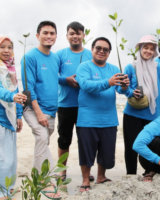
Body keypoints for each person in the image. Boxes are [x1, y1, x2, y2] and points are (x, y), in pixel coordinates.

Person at [76, 37, 130, 192]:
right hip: (87, 119)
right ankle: (86, 180)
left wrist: (126, 87)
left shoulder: (113, 69)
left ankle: (101, 176)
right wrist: (108, 82)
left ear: (109, 53)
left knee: (106, 152)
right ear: (92, 49)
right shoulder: (83, 67)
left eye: (105, 50)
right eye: (98, 48)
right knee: (86, 152)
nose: (101, 51)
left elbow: (120, 89)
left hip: (109, 118)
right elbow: (85, 85)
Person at [21, 21, 61, 199]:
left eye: (52, 33)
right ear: (38, 36)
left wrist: (67, 79)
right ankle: (46, 182)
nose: (49, 36)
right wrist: (38, 112)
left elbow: (54, 77)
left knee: (43, 143)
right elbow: (28, 88)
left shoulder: (55, 57)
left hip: (52, 110)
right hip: (33, 108)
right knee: (42, 138)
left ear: (56, 37)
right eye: (45, 33)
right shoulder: (29, 57)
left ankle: (37, 177)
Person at [122, 35, 160, 175]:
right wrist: (130, 92)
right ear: (140, 48)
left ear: (155, 52)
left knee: (152, 144)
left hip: (152, 114)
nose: (148, 51)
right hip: (132, 114)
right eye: (145, 47)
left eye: (152, 49)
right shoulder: (130, 67)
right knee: (131, 146)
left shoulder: (158, 68)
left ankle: (149, 171)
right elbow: (120, 88)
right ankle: (131, 174)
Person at [56, 21, 93, 181]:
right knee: (64, 139)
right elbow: (51, 75)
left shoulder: (90, 55)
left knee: (85, 140)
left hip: (86, 105)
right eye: (72, 33)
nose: (75, 36)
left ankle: (86, 172)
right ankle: (62, 171)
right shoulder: (60, 55)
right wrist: (65, 79)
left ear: (84, 36)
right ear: (67, 36)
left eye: (78, 33)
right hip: (65, 104)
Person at [0, 35, 27, 200]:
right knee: (2, 158)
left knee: (11, 158)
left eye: (10, 47)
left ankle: (9, 187)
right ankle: (1, 190)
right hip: (0, 119)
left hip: (10, 120)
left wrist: (18, 116)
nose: (6, 50)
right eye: (2, 47)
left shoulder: (11, 70)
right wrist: (11, 97)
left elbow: (18, 92)